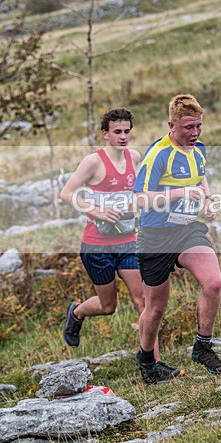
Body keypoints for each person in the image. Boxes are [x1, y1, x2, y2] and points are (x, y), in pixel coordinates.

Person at [132, 94, 221, 384]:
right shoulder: (158, 154)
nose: (195, 133)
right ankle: (147, 362)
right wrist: (179, 194)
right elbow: (138, 199)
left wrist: (208, 201)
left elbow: (200, 177)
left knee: (213, 282)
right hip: (155, 236)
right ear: (171, 125)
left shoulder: (198, 149)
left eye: (198, 126)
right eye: (188, 127)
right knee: (156, 308)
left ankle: (202, 347)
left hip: (187, 230)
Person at [60, 109, 160, 359]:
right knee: (108, 306)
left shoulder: (134, 157)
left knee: (143, 302)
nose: (123, 136)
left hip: (128, 242)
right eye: (117, 132)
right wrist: (98, 211)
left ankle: (152, 363)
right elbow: (66, 193)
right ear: (105, 134)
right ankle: (77, 313)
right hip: (97, 246)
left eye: (127, 131)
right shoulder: (92, 162)